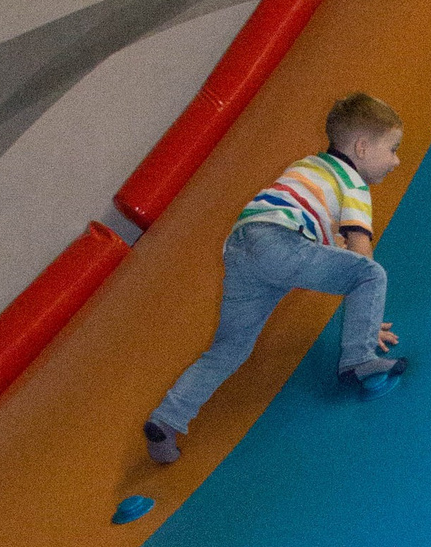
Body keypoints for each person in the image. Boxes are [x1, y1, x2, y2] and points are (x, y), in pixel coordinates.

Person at [143, 92, 406, 465]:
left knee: (229, 348)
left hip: (242, 248)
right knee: (371, 274)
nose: (396, 161)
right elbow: (359, 251)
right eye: (392, 149)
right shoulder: (353, 184)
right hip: (279, 243)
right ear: (362, 148)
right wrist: (369, 324)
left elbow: (326, 240)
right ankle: (359, 359)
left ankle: (166, 420)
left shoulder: (310, 166)